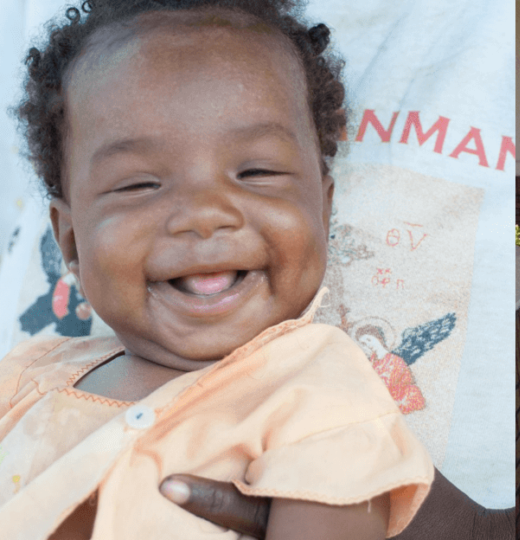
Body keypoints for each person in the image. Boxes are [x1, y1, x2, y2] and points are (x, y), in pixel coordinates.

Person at [0, 1, 440, 538]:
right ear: (69, 238)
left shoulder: (319, 400)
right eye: (140, 184)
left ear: (323, 212)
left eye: (255, 171)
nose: (204, 214)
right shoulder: (26, 377)